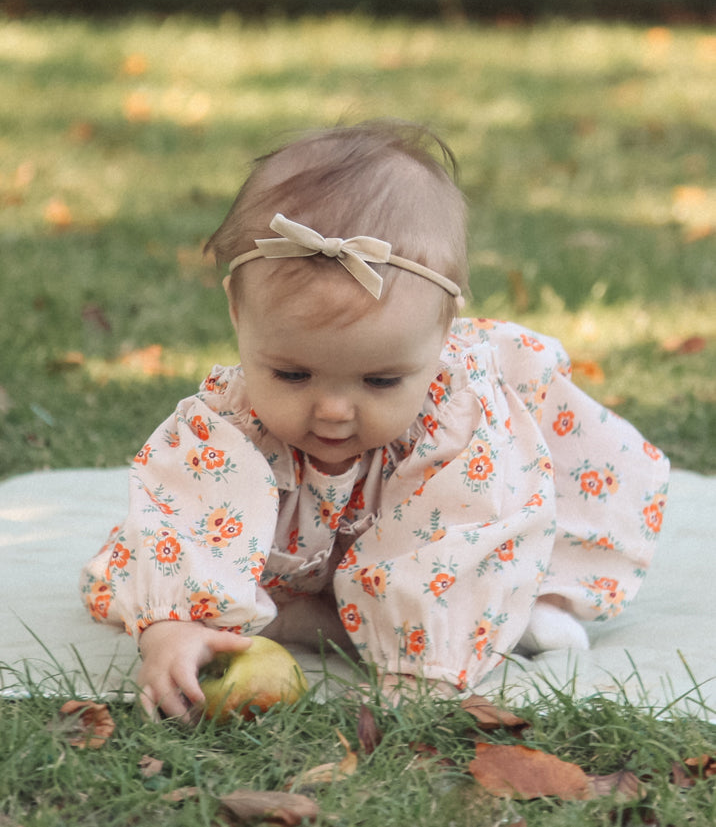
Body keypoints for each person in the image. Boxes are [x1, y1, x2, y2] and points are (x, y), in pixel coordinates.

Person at [80, 120, 670, 719]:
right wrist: (172, 626)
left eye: (381, 381)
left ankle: (528, 601)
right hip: (316, 545)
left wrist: (425, 668)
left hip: (469, 523)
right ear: (238, 312)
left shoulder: (459, 430)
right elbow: (179, 517)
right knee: (193, 542)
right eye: (293, 374)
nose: (334, 409)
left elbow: (459, 536)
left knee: (503, 537)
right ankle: (320, 607)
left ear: (440, 334)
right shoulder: (229, 424)